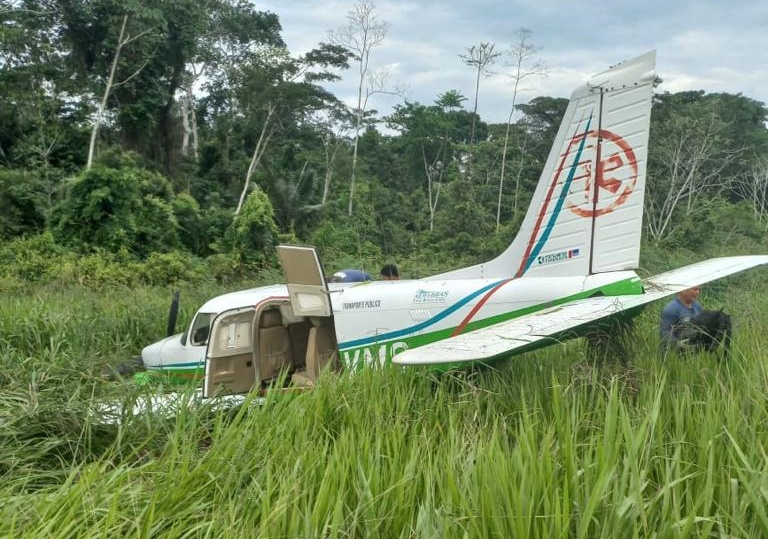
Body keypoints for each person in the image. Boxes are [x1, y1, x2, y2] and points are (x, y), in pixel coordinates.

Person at [659, 286, 702, 353]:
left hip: (696, 349)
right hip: (677, 351)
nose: (698, 292)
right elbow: (665, 332)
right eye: (694, 289)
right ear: (683, 290)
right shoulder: (671, 309)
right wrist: (680, 345)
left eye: (698, 289)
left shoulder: (697, 306)